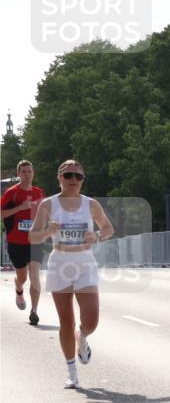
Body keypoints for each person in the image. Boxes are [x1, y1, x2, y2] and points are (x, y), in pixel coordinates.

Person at [28, 160, 114, 389]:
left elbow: (108, 228)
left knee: (91, 320)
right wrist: (48, 231)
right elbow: (32, 237)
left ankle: (83, 338)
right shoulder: (48, 205)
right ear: (60, 178)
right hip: (60, 264)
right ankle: (72, 372)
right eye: (69, 176)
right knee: (66, 321)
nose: (74, 180)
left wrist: (95, 236)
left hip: (84, 263)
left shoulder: (91, 204)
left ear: (83, 179)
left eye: (78, 176)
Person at [2, 160, 45, 325]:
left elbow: (46, 213)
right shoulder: (11, 193)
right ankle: (19, 289)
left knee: (35, 275)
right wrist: (20, 207)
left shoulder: (39, 193)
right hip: (16, 241)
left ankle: (34, 310)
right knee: (23, 276)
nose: (27, 175)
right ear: (18, 174)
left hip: (35, 241)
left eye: (29, 171)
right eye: (23, 172)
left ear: (33, 173)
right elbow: (2, 214)